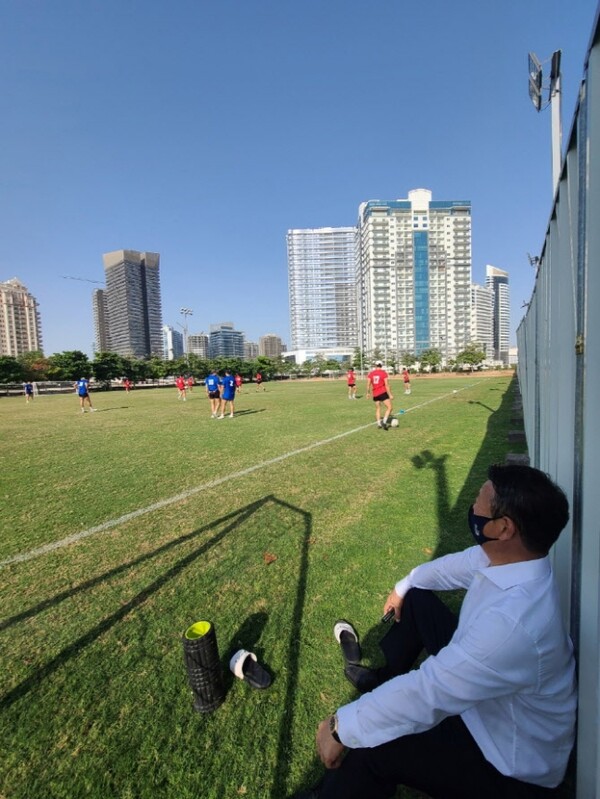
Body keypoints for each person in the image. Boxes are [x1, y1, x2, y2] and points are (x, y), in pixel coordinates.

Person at [297, 464, 576, 799]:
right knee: (417, 598)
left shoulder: (513, 625)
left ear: (504, 528)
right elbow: (452, 568)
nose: (472, 508)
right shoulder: (512, 560)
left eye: (478, 501)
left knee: (376, 743)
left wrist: (340, 726)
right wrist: (404, 586)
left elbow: (427, 692)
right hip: (493, 707)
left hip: (510, 763)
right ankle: (383, 678)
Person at [366, 361, 393, 429]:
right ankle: (384, 422)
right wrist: (390, 394)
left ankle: (379, 424)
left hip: (375, 394)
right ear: (381, 365)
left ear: (375, 365)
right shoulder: (383, 373)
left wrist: (368, 393)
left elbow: (368, 384)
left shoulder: (371, 374)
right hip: (382, 392)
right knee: (390, 407)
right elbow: (386, 385)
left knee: (378, 408)